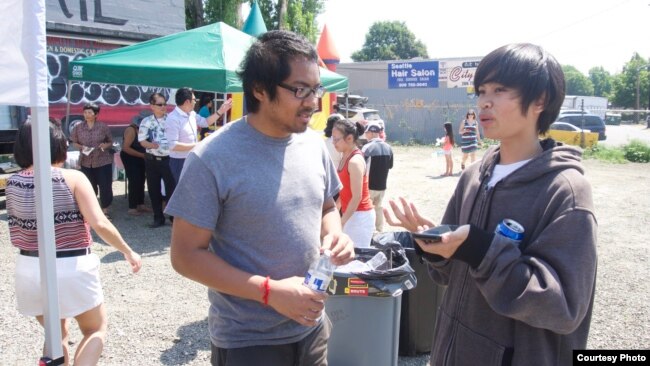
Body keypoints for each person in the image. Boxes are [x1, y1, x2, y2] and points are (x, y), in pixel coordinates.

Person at [384, 43, 597, 366]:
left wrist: (482, 250)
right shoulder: (473, 176)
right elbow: (448, 276)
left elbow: (564, 308)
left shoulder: (565, 191)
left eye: (500, 90)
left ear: (540, 100)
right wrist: (434, 244)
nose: (484, 101)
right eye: (481, 90)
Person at [166, 30, 355, 366]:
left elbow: (328, 206)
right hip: (248, 343)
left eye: (316, 89)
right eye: (300, 90)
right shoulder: (211, 158)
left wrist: (335, 233)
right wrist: (269, 292)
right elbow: (184, 255)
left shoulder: (313, 145)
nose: (313, 101)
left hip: (311, 330)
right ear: (259, 89)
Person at [6, 121, 142, 366]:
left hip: (28, 268)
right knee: (95, 329)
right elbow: (99, 223)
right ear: (58, 143)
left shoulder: (13, 183)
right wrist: (128, 250)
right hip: (71, 266)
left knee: (55, 333)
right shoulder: (73, 178)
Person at [165, 87, 232, 183]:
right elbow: (173, 145)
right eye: (194, 100)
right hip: (180, 161)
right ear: (187, 102)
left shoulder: (191, 114)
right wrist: (198, 145)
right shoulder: (173, 119)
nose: (196, 102)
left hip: (192, 157)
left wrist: (220, 111)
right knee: (185, 191)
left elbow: (205, 122)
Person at [333, 118, 375, 247]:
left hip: (360, 216)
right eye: (332, 138)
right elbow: (343, 189)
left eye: (336, 139)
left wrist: (342, 221)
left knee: (356, 260)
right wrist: (335, 211)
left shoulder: (355, 161)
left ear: (350, 138)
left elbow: (357, 197)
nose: (333, 143)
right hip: (350, 214)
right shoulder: (344, 156)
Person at [70, 102, 114, 219]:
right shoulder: (78, 127)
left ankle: (105, 209)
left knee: (105, 186)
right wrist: (80, 147)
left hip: (102, 160)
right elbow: (73, 142)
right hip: (86, 161)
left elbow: (110, 141)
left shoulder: (103, 127)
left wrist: (105, 146)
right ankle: (91, 210)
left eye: (90, 112)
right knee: (89, 186)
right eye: (85, 112)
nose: (87, 115)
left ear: (96, 114)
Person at [138, 92, 176, 228]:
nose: (163, 107)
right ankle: (158, 217)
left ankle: (173, 217)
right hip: (152, 159)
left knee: (172, 188)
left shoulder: (171, 119)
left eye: (165, 104)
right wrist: (151, 145)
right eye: (160, 104)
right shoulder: (146, 121)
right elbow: (142, 141)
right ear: (152, 106)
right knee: (153, 189)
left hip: (168, 159)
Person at [361, 121, 393, 232]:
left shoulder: (366, 148)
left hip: (368, 185)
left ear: (371, 133)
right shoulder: (388, 147)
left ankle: (369, 230)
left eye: (366, 132)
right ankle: (379, 229)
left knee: (367, 208)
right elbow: (390, 166)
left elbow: (361, 168)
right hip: (382, 185)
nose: (365, 135)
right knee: (378, 207)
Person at [119, 115, 151, 216]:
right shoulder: (131, 130)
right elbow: (125, 148)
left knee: (141, 179)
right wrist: (142, 155)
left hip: (141, 157)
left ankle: (140, 204)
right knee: (134, 180)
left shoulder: (145, 130)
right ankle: (132, 207)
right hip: (130, 157)